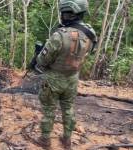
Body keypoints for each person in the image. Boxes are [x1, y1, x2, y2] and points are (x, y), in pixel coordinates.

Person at [36, 0, 97, 149]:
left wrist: (38, 57)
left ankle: (45, 140)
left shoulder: (60, 35)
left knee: (49, 109)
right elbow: (89, 51)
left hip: (54, 79)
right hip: (73, 78)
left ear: (68, 13)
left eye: (63, 13)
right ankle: (67, 139)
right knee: (68, 108)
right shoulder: (90, 33)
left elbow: (43, 60)